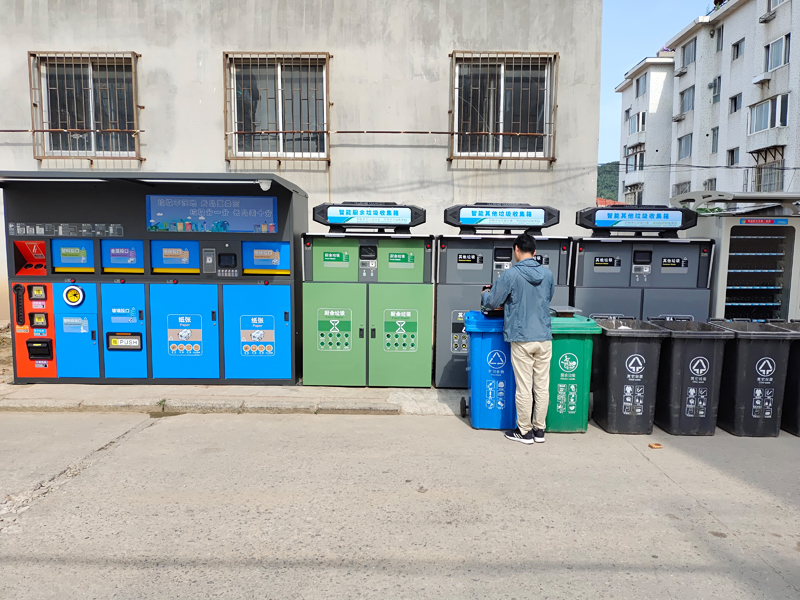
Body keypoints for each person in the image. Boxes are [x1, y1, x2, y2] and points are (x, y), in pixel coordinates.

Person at [481, 233, 555, 445]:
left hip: (522, 338)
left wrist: (485, 294)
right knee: (541, 386)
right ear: (535, 252)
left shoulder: (510, 275)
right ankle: (540, 430)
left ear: (516, 250)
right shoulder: (547, 274)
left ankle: (524, 432)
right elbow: (547, 298)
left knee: (524, 386)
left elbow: (492, 302)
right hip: (544, 337)